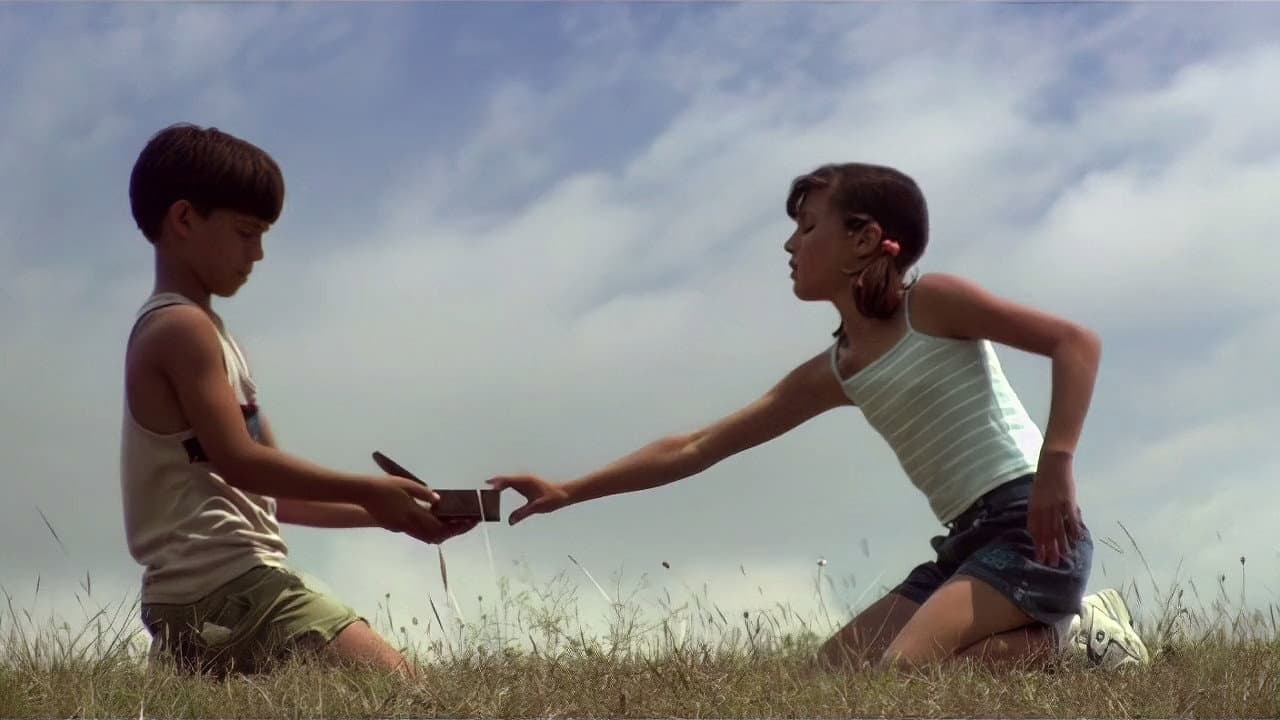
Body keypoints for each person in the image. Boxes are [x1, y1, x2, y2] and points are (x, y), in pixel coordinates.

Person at [489, 162, 1150, 671]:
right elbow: (696, 446)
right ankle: (1053, 638)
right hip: (966, 545)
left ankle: (1075, 640)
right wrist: (567, 490)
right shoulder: (837, 370)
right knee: (828, 679)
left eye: (807, 228)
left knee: (903, 675)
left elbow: (1075, 343)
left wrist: (1056, 464)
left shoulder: (933, 303)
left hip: (1031, 529)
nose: (789, 244)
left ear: (865, 240)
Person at [119, 123, 476, 678]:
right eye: (245, 232)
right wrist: (369, 489)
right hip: (229, 586)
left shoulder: (210, 336)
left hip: (201, 598)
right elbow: (242, 461)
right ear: (184, 219)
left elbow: (271, 495)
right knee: (405, 690)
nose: (259, 253)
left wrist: (391, 514)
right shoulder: (181, 329)